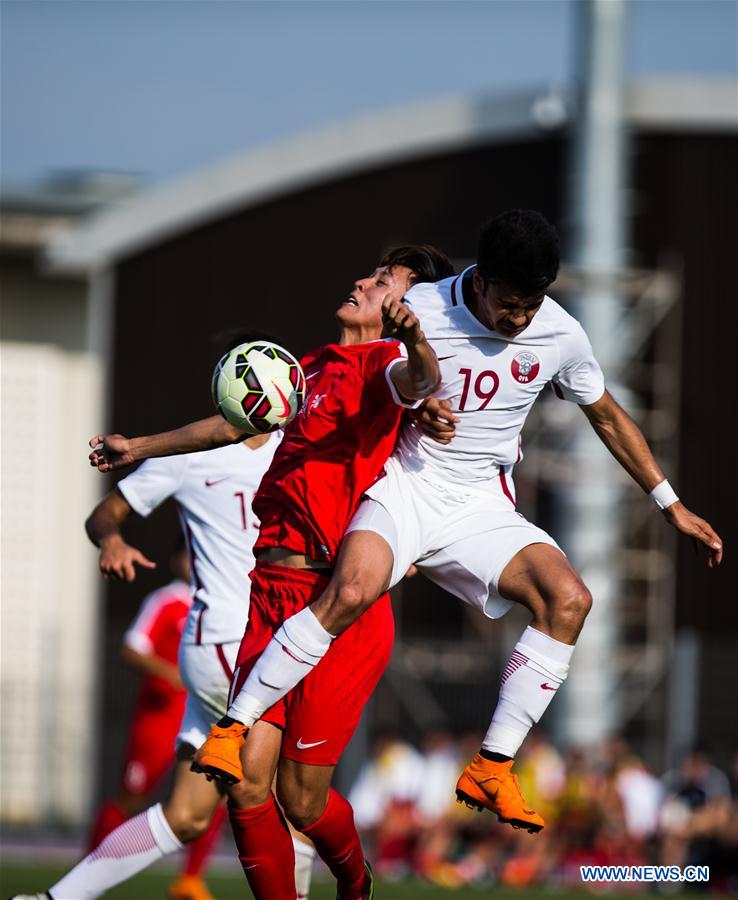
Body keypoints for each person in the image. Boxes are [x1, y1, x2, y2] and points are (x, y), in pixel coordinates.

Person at [196, 209, 723, 836]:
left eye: (531, 305)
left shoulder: (560, 333)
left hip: (479, 505)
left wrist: (672, 504)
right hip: (406, 488)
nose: (518, 319)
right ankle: (233, 727)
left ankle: (492, 767)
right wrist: (419, 407)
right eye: (509, 303)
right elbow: (373, 383)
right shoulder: (420, 306)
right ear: (480, 280)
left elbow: (606, 415)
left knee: (569, 599)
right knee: (352, 590)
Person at [46, 246, 453, 900]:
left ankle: (355, 882)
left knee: (301, 798)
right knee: (241, 782)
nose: (361, 280)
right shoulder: (311, 366)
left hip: (332, 601)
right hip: (267, 592)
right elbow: (231, 425)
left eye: (382, 282)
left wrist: (418, 348)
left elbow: (420, 382)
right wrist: (138, 446)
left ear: (408, 308)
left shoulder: (387, 365)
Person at [11, 333, 320, 900]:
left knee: (187, 815)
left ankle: (56, 898)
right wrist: (111, 540)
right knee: (289, 793)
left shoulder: (298, 447)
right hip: (233, 639)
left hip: (237, 644)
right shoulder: (189, 455)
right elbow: (105, 512)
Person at [85, 541, 226, 900]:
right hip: (159, 719)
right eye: (190, 555)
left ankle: (190, 880)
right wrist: (171, 674)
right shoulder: (167, 600)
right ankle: (89, 868)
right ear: (178, 560)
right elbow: (132, 647)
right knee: (131, 799)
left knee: (214, 796)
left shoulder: (222, 602)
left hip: (202, 718)